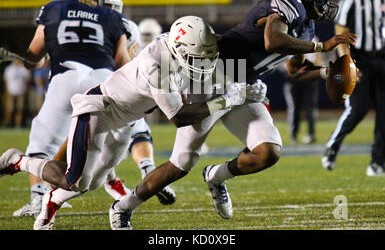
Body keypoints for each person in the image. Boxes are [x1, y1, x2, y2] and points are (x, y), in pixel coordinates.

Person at [96, 0, 356, 230]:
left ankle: (216, 176)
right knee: (182, 162)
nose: (328, 0)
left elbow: (296, 70)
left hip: (245, 83)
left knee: (268, 152)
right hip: (216, 72)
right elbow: (272, 40)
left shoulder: (308, 26)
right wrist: (322, 45)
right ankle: (123, 207)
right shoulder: (288, 2)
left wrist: (329, 72)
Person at [0, 15, 256, 230]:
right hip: (99, 109)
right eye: (197, 57)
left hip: (127, 119)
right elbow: (179, 117)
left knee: (94, 181)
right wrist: (227, 100)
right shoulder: (157, 62)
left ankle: (51, 202)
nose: (203, 63)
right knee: (75, 180)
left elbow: (209, 59)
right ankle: (18, 161)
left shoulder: (181, 48)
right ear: (179, 50)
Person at [10, 0, 131, 218]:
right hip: (102, 83)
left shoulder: (54, 9)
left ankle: (38, 199)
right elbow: (124, 64)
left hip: (65, 77)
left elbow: (32, 56)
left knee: (41, 142)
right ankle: (103, 182)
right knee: (93, 150)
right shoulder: (110, 16)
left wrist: (37, 60)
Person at [101, 0, 176, 204]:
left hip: (81, 88)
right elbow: (128, 64)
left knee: (81, 146)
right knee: (136, 128)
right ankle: (147, 171)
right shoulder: (124, 24)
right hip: (118, 89)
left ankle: (45, 197)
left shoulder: (67, 16)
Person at [321, 0, 385, 176]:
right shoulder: (353, 0)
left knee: (384, 115)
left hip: (382, 59)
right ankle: (332, 146)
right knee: (357, 110)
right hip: (360, 60)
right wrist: (347, 62)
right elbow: (340, 35)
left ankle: (377, 162)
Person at [282, 40, 323, 144]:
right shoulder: (287, 35)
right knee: (294, 107)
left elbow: (318, 57)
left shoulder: (313, 37)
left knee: (310, 107)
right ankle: (294, 135)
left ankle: (310, 134)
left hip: (308, 75)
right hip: (294, 76)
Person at [3, 60, 31, 127]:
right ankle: (8, 124)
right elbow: (6, 81)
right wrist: (6, 91)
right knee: (10, 109)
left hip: (21, 92)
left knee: (19, 109)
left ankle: (17, 125)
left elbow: (27, 80)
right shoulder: (9, 69)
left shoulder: (24, 68)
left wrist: (25, 90)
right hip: (11, 92)